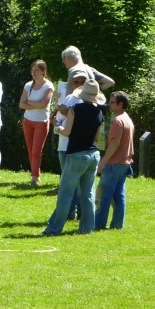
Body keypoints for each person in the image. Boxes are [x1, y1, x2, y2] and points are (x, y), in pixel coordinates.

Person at [44, 79, 106, 235]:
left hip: (76, 154)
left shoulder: (75, 109)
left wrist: (57, 125)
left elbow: (67, 132)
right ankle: (87, 228)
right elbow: (97, 138)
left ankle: (54, 229)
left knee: (65, 193)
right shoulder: (100, 112)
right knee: (88, 194)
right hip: (93, 154)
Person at [53, 68, 90, 221]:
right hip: (63, 144)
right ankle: (71, 212)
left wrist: (66, 113)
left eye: (83, 81)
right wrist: (56, 122)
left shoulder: (89, 100)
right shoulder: (69, 97)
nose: (79, 84)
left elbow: (82, 121)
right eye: (76, 81)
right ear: (72, 83)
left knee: (79, 183)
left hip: (77, 146)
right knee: (66, 181)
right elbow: (60, 120)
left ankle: (80, 212)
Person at [95, 91, 135, 230]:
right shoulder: (127, 118)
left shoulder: (118, 121)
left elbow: (114, 144)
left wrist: (103, 162)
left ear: (120, 104)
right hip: (124, 163)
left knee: (104, 194)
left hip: (114, 164)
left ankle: (98, 224)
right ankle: (117, 224)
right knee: (119, 195)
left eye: (112, 102)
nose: (109, 104)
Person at [19, 60, 54, 186]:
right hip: (27, 121)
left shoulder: (48, 85)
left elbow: (44, 104)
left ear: (43, 71)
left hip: (41, 122)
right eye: (32, 70)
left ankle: (34, 177)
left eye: (36, 70)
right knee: (30, 149)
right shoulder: (28, 85)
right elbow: (22, 104)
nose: (33, 73)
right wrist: (35, 104)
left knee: (36, 150)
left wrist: (30, 103)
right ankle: (36, 174)